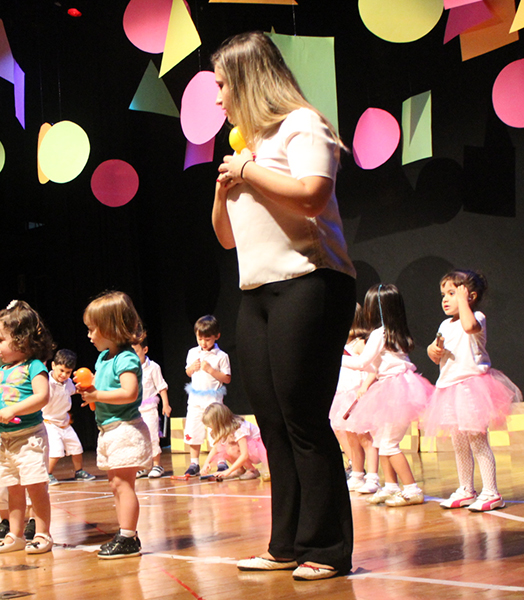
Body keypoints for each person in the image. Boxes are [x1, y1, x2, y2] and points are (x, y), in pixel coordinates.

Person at [210, 32, 357, 580]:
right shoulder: (246, 147)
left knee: (301, 416)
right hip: (258, 291)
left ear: (247, 78)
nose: (218, 96)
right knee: (270, 419)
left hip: (310, 281)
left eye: (222, 83)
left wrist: (246, 172)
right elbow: (225, 238)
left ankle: (326, 548)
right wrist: (226, 186)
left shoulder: (302, 124)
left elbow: (314, 195)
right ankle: (286, 544)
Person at [422, 270, 521, 512]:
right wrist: (432, 350)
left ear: (470, 296)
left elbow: (469, 327)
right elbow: (435, 350)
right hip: (449, 388)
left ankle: (491, 492)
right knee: (459, 442)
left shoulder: (477, 317)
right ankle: (466, 489)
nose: (445, 298)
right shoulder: (445, 324)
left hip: (471, 387)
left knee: (477, 440)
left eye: (452, 293)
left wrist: (465, 303)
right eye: (443, 294)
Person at [342, 284, 432, 508]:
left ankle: (412, 489)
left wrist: (334, 358)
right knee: (382, 441)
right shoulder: (393, 332)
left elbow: (362, 363)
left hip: (395, 389)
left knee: (389, 444)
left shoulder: (378, 334)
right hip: (396, 387)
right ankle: (391, 486)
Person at [0, 300, 54, 554]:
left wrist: (13, 410)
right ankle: (15, 535)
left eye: (0, 340)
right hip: (6, 441)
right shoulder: (2, 371)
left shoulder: (35, 367)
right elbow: (0, 401)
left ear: (22, 340)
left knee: (36, 489)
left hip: (30, 439)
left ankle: (42, 534)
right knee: (13, 491)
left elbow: (42, 396)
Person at [79, 291, 152, 559]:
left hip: (125, 429)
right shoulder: (103, 358)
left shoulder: (126, 358)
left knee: (123, 484)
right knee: (115, 485)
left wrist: (97, 395)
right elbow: (104, 388)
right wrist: (91, 394)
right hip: (109, 429)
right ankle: (125, 533)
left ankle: (129, 536)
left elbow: (129, 393)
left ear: (110, 327)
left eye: (92, 329)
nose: (89, 335)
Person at [329, 305, 379, 495]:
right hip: (342, 395)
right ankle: (357, 475)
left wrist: (365, 386)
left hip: (356, 395)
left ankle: (373, 477)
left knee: (364, 437)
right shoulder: (339, 343)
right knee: (350, 439)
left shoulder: (359, 343)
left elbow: (374, 368)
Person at [183, 315, 231, 476]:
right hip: (195, 399)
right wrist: (192, 368)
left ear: (216, 336)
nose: (203, 343)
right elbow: (187, 372)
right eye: (200, 339)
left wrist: (211, 370)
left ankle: (221, 460)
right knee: (193, 429)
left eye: (207, 339)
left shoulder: (221, 356)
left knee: (216, 432)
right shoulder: (192, 352)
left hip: (213, 401)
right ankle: (194, 463)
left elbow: (227, 378)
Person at [44, 349, 95, 484]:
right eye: (61, 370)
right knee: (56, 450)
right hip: (49, 422)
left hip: (64, 423)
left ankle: (79, 471)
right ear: (53, 365)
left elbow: (76, 390)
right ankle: (47, 474)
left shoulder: (68, 383)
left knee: (76, 447)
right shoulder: (46, 382)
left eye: (68, 372)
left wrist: (88, 386)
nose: (64, 375)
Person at [133, 339, 171, 478]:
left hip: (149, 408)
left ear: (145, 350)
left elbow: (161, 387)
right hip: (135, 410)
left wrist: (165, 405)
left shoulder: (153, 367)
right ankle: (143, 466)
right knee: (137, 439)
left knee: (152, 436)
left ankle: (156, 465)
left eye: (136, 351)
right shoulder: (130, 368)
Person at [201, 403, 268, 480]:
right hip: (247, 449)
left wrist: (228, 471)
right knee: (225, 448)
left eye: (211, 425)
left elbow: (244, 454)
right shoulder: (226, 427)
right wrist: (206, 463)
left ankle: (252, 470)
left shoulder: (239, 428)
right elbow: (216, 447)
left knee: (231, 449)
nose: (210, 428)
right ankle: (240, 469)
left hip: (258, 449)